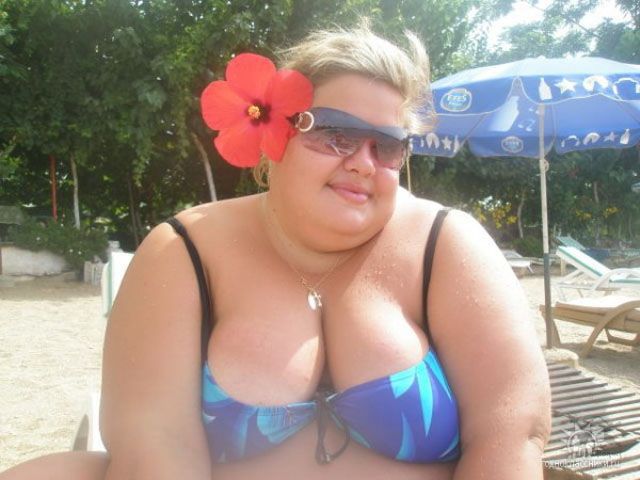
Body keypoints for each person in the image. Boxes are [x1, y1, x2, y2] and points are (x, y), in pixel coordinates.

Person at [1, 23, 550, 480]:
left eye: (386, 146)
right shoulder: (184, 251)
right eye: (336, 133)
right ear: (275, 133)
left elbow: (511, 433)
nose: (364, 162)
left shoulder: (446, 244)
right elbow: (154, 445)